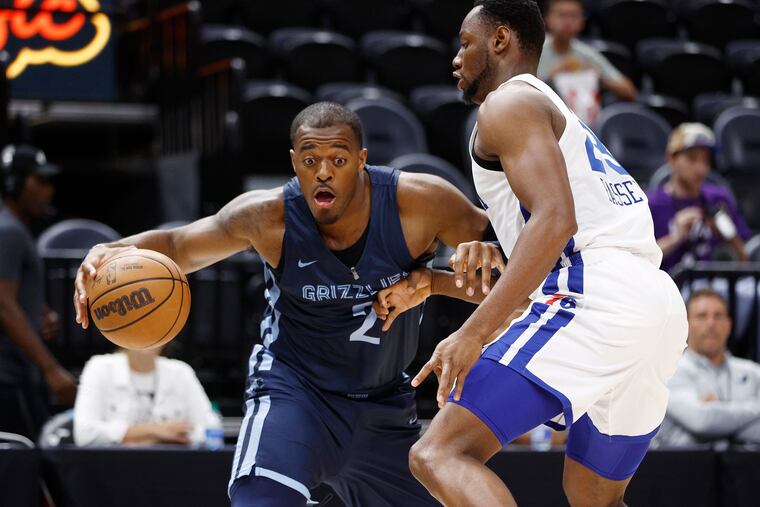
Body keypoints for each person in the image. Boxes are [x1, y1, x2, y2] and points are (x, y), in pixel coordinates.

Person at [72, 102, 492, 506]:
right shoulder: (267, 216)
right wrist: (111, 250)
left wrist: (432, 282)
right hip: (295, 391)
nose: (323, 173)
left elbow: (515, 282)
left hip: (383, 402)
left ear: (362, 159)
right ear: (294, 163)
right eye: (310, 161)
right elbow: (178, 244)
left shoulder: (420, 203)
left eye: (339, 160)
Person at [376, 2, 687, 505]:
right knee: (594, 497)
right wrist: (435, 283)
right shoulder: (554, 115)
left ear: (500, 41)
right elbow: (543, 265)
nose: (455, 58)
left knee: (438, 454)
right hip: (656, 305)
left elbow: (555, 225)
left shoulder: (507, 105)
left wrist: (471, 335)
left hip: (597, 297)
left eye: (465, 42)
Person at [0, 144, 77, 440]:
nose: (49, 191)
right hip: (9, 378)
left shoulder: (15, 229)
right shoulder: (10, 231)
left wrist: (40, 312)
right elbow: (4, 305)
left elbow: (13, 295)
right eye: (40, 181)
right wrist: (51, 369)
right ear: (14, 183)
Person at [655, 289, 760, 447]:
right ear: (686, 324)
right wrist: (755, 409)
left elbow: (704, 427)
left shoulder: (753, 372)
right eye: (702, 316)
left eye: (718, 316)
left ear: (729, 324)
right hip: (685, 469)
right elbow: (701, 421)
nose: (711, 324)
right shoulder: (669, 372)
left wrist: (716, 420)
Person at [647, 123, 751, 273]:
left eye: (706, 160)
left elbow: (743, 258)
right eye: (692, 158)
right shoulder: (651, 204)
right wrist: (676, 237)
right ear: (671, 159)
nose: (701, 168)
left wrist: (727, 233)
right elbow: (639, 263)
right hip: (670, 286)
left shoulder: (719, 198)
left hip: (716, 285)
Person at [73, 345, 219, 446]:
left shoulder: (181, 372)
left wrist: (137, 438)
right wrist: (157, 431)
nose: (147, 334)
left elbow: (211, 429)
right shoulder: (99, 367)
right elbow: (85, 434)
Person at [538, 0, 637, 102]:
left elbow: (630, 92)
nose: (568, 22)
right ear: (547, 18)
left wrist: (599, 76)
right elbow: (521, 90)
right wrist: (550, 75)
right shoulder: (534, 50)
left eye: (574, 15)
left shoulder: (587, 54)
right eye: (562, 15)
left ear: (582, 21)